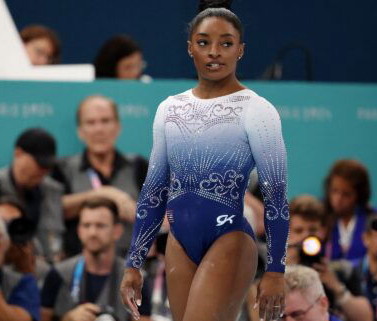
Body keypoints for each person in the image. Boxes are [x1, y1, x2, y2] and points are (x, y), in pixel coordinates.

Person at [120, 1, 289, 321]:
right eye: (204, 42)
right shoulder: (169, 108)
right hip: (179, 241)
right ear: (189, 48)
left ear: (240, 50)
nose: (214, 51)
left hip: (230, 238)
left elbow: (276, 196)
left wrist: (277, 270)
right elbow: (154, 190)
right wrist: (134, 262)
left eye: (226, 43)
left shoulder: (257, 110)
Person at [51, 94, 147, 257]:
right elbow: (52, 209)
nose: (99, 129)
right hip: (80, 264)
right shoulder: (63, 168)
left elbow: (162, 212)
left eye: (105, 121)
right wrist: (104, 193)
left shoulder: (138, 166)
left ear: (118, 127)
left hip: (131, 265)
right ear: (80, 131)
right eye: (91, 122)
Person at [40, 197, 151, 321]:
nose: (92, 232)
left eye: (100, 225)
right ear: (79, 230)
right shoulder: (58, 274)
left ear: (117, 231)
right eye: (86, 225)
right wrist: (67, 319)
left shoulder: (135, 278)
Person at [287, 195, 373, 321]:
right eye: (299, 231)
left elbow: (366, 317)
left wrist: (336, 287)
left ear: (323, 231)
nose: (306, 237)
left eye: (313, 230)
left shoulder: (342, 271)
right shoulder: (273, 273)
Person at [0, 128, 64, 262]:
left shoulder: (53, 190)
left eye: (48, 166)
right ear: (18, 153)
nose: (44, 171)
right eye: (40, 164)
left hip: (46, 270)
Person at [324, 159, 377, 265]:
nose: (338, 199)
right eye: (334, 191)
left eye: (346, 194)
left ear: (359, 195)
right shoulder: (320, 215)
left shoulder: (372, 219)